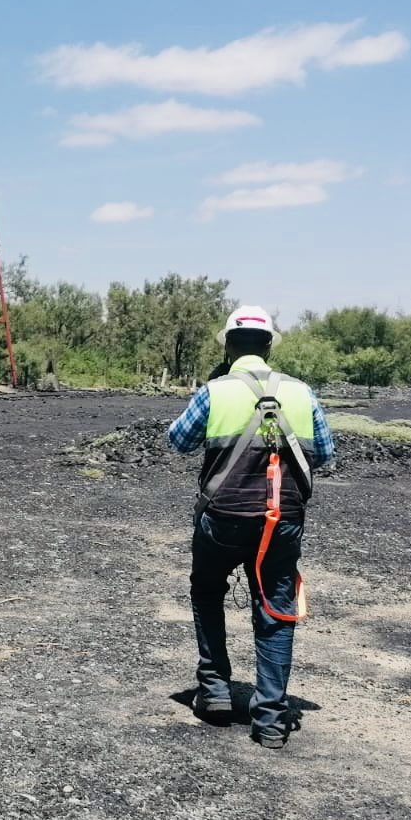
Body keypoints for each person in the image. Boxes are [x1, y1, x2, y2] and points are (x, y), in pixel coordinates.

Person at [167, 306, 335, 749]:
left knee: (207, 591)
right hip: (283, 521)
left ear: (228, 346)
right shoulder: (301, 392)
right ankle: (272, 720)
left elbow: (177, 441)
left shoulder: (215, 390)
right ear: (269, 346)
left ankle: (216, 691)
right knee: (276, 609)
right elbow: (326, 453)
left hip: (222, 518)